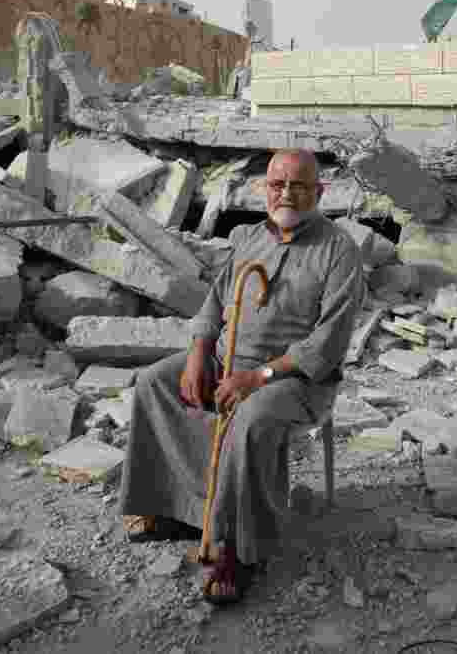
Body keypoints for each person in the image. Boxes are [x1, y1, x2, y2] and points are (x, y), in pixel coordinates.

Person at [119, 148, 365, 605]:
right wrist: (197, 353)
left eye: (299, 185)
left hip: (295, 378)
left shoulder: (339, 251)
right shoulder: (248, 237)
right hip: (227, 360)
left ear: (319, 192)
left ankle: (238, 549)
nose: (286, 193)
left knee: (251, 417)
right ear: (263, 189)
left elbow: (328, 345)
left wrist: (259, 376)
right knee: (155, 381)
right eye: (277, 184)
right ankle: (180, 510)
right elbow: (213, 305)